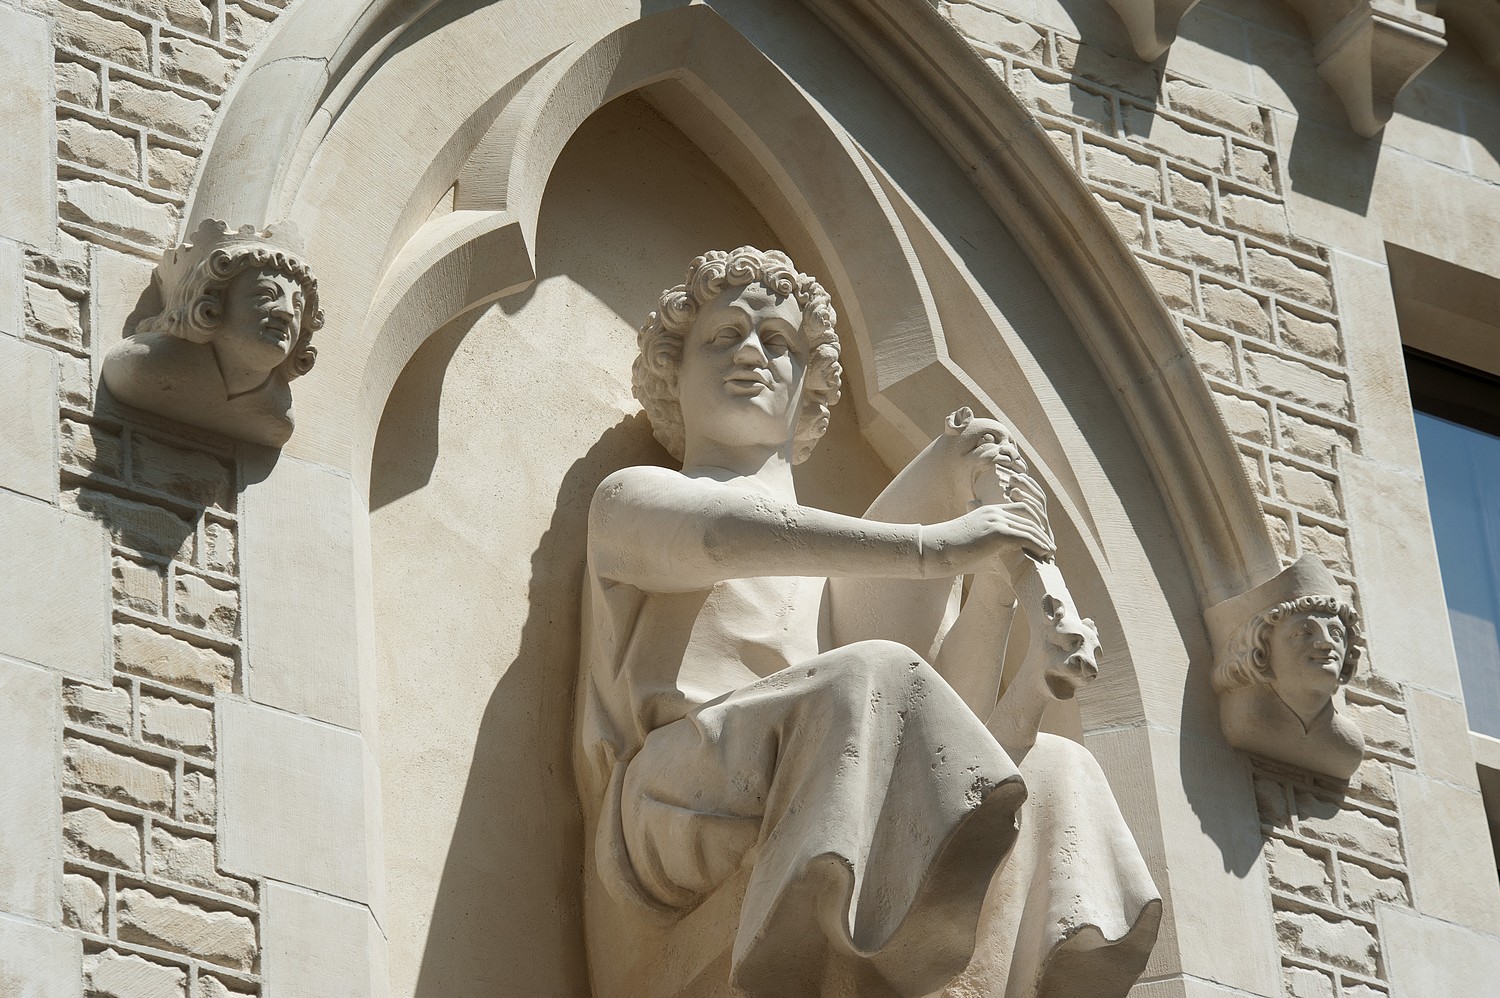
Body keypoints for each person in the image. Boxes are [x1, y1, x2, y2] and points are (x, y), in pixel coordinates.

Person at [575, 247, 1160, 998]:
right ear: (673, 373)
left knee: (1055, 767)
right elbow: (723, 533)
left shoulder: (837, 581)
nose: (751, 353)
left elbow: (959, 736)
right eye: (722, 337)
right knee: (874, 672)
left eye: (778, 344)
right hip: (666, 807)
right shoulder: (632, 501)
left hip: (812, 771)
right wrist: (936, 545)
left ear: (807, 388)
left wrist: (997, 592)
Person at [101, 219, 321, 447]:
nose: (286, 313)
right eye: (266, 295)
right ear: (213, 303)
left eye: (297, 307)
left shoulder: (278, 411)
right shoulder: (148, 364)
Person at [1208, 553, 1365, 779]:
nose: (1326, 643)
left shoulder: (1347, 744)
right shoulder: (1250, 720)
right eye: (1303, 632)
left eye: (1336, 633)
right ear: (1262, 651)